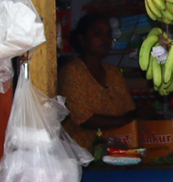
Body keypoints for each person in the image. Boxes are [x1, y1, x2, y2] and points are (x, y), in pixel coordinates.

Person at [57, 14, 137, 150]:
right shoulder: (72, 72)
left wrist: (131, 117)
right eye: (98, 33)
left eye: (108, 34)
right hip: (81, 154)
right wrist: (124, 120)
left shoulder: (113, 72)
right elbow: (85, 120)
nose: (105, 39)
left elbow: (130, 111)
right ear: (82, 39)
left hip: (116, 152)